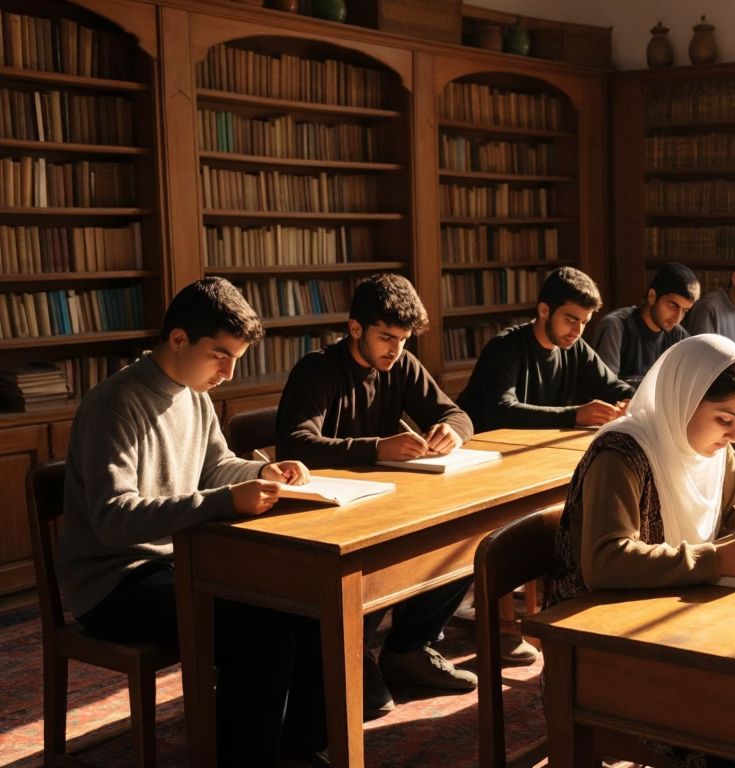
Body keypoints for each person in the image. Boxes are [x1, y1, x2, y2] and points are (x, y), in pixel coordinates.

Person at [58, 278, 328, 766]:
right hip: (113, 582)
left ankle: (297, 750)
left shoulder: (193, 393)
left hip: (178, 560)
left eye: (235, 360)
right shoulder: (114, 404)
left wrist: (265, 470)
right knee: (256, 634)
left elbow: (216, 466)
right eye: (219, 356)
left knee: (305, 605)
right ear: (178, 339)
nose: (227, 373)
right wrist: (224, 501)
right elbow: (112, 521)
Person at [276, 273, 482, 719]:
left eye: (403, 340)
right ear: (355, 329)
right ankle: (355, 655)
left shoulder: (402, 365)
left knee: (467, 536)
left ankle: (408, 647)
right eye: (386, 337)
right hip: (325, 516)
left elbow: (457, 412)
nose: (395, 349)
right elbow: (294, 445)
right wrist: (377, 447)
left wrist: (454, 432)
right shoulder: (317, 369)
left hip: (383, 501)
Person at [544, 334, 735, 605]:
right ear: (684, 400)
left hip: (670, 601)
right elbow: (606, 562)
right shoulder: (620, 455)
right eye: (724, 419)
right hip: (592, 620)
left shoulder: (713, 450)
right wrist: (716, 560)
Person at [458, 266, 635, 430]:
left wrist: (635, 401)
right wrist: (575, 415)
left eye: (584, 322)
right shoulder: (504, 347)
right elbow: (501, 412)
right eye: (570, 320)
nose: (577, 331)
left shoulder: (575, 347)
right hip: (482, 452)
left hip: (531, 449)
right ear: (544, 310)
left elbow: (613, 388)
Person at [587, 262, 699, 385]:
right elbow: (605, 387)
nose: (678, 318)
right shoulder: (616, 327)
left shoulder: (678, 335)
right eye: (673, 306)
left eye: (685, 311)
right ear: (652, 297)